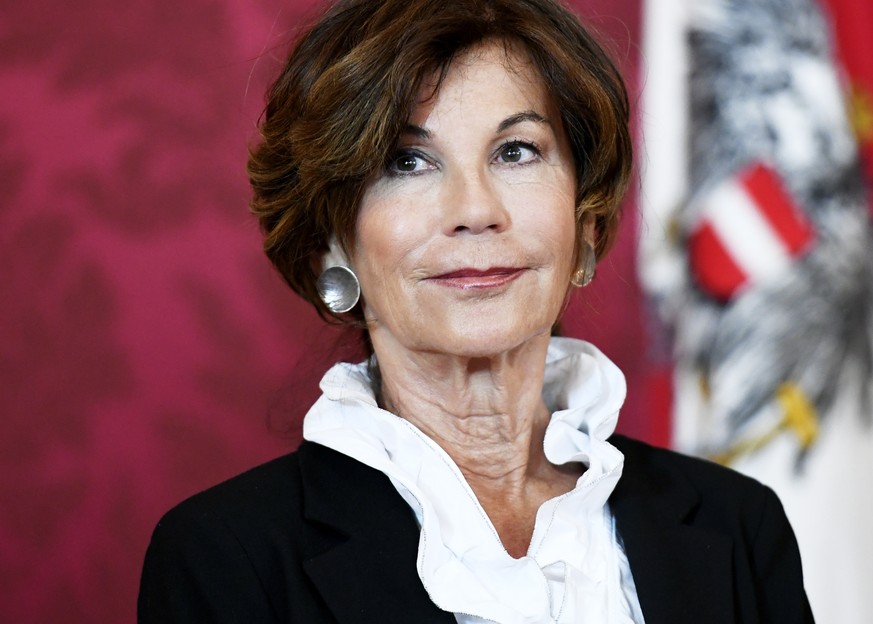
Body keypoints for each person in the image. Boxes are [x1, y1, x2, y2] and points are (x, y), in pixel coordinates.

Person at [138, 0, 814, 622]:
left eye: (516, 152)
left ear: (585, 224)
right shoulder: (228, 560)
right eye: (407, 162)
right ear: (332, 241)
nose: (474, 211)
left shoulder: (737, 530)